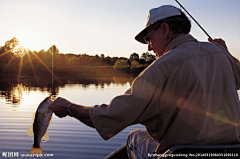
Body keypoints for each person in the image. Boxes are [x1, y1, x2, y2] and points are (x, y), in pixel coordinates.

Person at [50, 5, 240, 159]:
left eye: (149, 38)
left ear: (165, 29)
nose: (149, 48)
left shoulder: (160, 69)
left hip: (180, 154)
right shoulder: (220, 53)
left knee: (134, 137)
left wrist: (69, 108)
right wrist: (227, 53)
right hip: (231, 151)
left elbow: (112, 116)